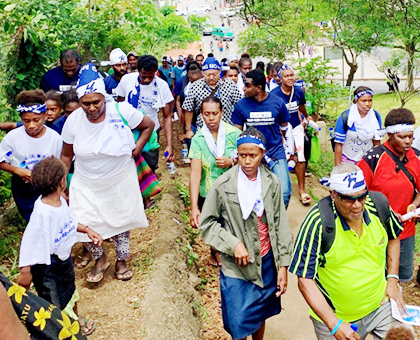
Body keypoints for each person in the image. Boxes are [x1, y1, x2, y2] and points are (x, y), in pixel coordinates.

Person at [290, 163, 405, 340]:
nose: (357, 205)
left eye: (362, 196)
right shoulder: (318, 222)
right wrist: (334, 323)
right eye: (349, 199)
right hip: (337, 317)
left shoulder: (378, 204)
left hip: (380, 306)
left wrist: (392, 278)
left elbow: (393, 236)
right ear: (333, 194)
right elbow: (304, 279)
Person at [61, 64, 154, 282]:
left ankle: (121, 260)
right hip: (86, 180)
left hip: (120, 177)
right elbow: (66, 156)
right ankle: (100, 259)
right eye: (86, 103)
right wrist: (61, 184)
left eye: (96, 102)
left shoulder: (121, 111)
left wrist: (137, 148)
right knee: (83, 219)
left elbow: (148, 125)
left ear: (104, 97)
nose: (92, 108)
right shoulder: (74, 119)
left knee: (119, 220)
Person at [200, 127, 292, 340]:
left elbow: (280, 225)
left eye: (253, 155)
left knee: (261, 313)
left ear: (262, 154)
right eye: (242, 155)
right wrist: (233, 244)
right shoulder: (223, 185)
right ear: (237, 155)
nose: (247, 161)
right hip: (237, 267)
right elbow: (208, 223)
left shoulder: (272, 183)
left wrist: (283, 266)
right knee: (239, 319)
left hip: (266, 260)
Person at [17, 158, 102, 335]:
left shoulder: (60, 201)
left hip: (63, 261)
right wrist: (25, 275)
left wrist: (86, 229)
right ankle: (64, 332)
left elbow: (67, 222)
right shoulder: (42, 214)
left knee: (70, 292)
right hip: (48, 269)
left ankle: (75, 321)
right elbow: (30, 244)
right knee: (55, 304)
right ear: (61, 182)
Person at [358, 108, 420, 283]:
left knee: (402, 277)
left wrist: (414, 206)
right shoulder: (372, 159)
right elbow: (357, 195)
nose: (408, 141)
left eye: (410, 136)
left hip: (405, 230)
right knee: (375, 276)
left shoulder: (416, 157)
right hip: (376, 230)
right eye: (402, 137)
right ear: (390, 135)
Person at [189, 96, 241, 264]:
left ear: (222, 113)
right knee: (214, 225)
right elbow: (195, 174)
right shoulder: (198, 139)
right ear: (201, 115)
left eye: (214, 113)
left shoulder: (234, 134)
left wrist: (232, 161)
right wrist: (194, 207)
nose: (211, 118)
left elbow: (248, 159)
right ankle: (216, 252)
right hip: (209, 192)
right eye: (206, 114)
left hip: (234, 189)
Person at [231, 70, 292, 207]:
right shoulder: (241, 105)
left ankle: (277, 223)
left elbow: (284, 126)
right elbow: (237, 133)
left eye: (247, 85)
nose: (243, 88)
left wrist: (286, 148)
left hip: (275, 152)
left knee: (285, 193)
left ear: (258, 88)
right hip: (251, 154)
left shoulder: (278, 102)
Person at [0, 89, 62, 221]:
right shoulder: (13, 137)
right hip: (23, 187)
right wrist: (18, 171)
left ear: (45, 116)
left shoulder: (54, 138)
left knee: (47, 217)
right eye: (26, 121)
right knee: (32, 218)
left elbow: (59, 165)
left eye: (36, 120)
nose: (31, 125)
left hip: (47, 185)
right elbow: (1, 160)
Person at [116, 55, 174, 168]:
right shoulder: (127, 80)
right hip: (129, 130)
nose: (147, 80)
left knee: (149, 166)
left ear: (155, 72)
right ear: (138, 71)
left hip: (151, 133)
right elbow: (120, 105)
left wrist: (169, 145)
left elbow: (167, 117)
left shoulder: (162, 86)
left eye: (150, 76)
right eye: (143, 76)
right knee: (128, 165)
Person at [271, 65, 312, 205]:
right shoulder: (274, 94)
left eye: (291, 75)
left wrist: (307, 118)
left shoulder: (299, 91)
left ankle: (301, 190)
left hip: (296, 127)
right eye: (286, 76)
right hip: (281, 129)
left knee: (300, 157)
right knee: (284, 158)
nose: (290, 78)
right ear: (280, 78)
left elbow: (302, 107)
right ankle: (282, 188)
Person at [183, 57, 242, 137]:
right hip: (203, 131)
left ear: (220, 72)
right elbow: (188, 108)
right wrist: (188, 129)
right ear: (202, 73)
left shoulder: (229, 85)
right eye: (208, 75)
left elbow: (239, 106)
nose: (211, 77)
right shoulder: (195, 86)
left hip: (226, 131)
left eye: (214, 74)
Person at [334, 86, 382, 165]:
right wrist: (338, 169)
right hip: (347, 160)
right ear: (356, 101)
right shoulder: (346, 117)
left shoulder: (376, 117)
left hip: (367, 161)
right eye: (364, 101)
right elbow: (338, 144)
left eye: (370, 101)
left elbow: (376, 143)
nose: (367, 104)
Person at [176, 62, 203, 142]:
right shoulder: (185, 91)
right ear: (190, 79)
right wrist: (183, 132)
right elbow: (183, 113)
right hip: (191, 124)